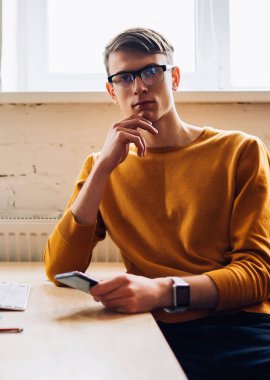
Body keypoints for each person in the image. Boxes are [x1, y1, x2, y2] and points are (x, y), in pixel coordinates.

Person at [44, 27, 270, 379]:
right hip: (147, 329)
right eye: (124, 78)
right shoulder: (101, 166)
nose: (139, 87)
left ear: (174, 77)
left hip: (238, 326)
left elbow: (258, 275)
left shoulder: (241, 151)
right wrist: (103, 168)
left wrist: (161, 291)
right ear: (111, 90)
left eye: (152, 71)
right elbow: (59, 269)